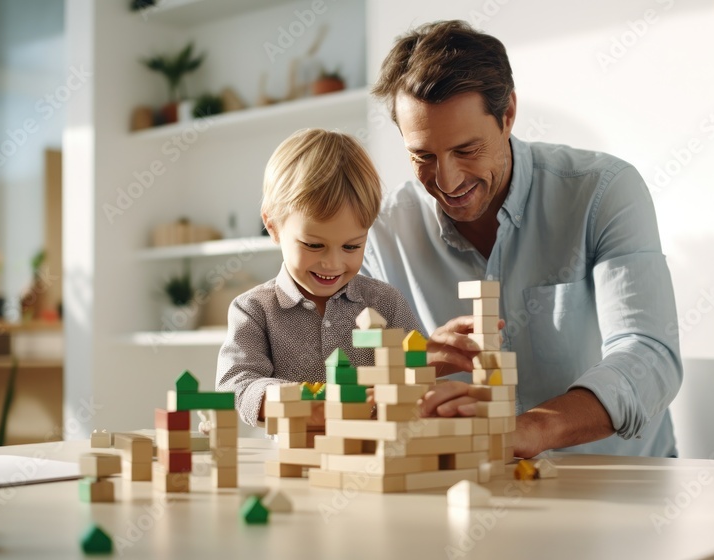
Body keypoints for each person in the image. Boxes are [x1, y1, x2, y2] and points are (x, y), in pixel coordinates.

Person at [362, 20, 683, 459]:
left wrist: (528, 430)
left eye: (466, 150)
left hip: (624, 485)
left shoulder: (604, 191)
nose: (447, 180)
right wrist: (410, 362)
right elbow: (350, 375)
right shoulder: (380, 231)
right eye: (423, 156)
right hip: (475, 491)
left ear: (508, 113)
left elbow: (649, 355)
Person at [215, 128, 424, 427]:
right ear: (273, 226)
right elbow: (237, 385)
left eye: (352, 246)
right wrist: (300, 402)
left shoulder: (385, 303)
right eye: (314, 245)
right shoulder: (254, 309)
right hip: (293, 463)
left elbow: (418, 370)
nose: (333, 263)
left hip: (374, 459)